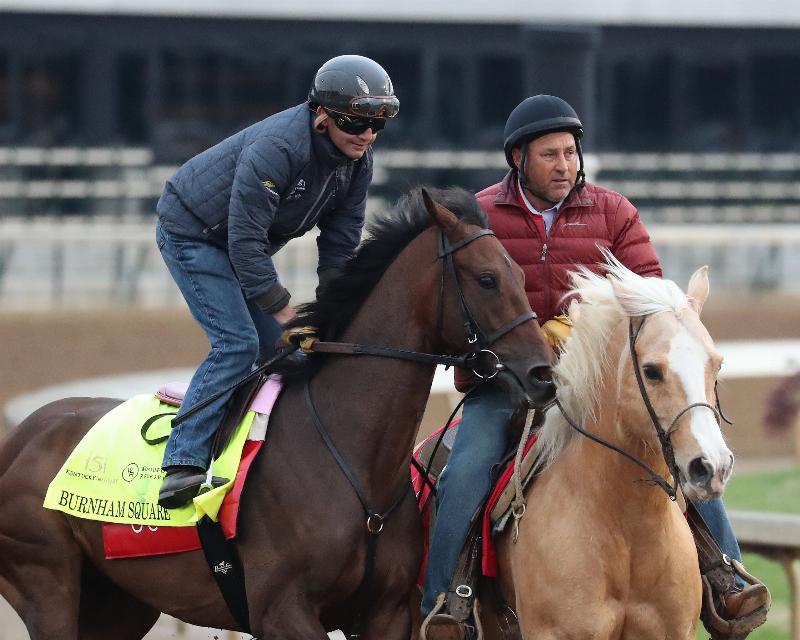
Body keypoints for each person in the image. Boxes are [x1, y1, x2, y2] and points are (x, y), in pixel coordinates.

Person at [421, 95, 769, 639]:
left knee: (678, 453)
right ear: (518, 159)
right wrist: (529, 339)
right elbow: (459, 307)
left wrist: (582, 327)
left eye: (570, 153)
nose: (565, 166)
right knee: (465, 473)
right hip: (506, 386)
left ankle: (726, 575)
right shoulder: (480, 215)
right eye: (550, 155)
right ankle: (449, 602)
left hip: (599, 390)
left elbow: (655, 299)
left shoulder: (614, 212)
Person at [154, 55, 399, 509]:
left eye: (379, 122)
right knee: (238, 344)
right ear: (321, 115)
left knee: (284, 353)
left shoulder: (356, 161)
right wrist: (287, 312)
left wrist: (335, 314)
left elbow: (340, 248)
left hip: (241, 243)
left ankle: (264, 457)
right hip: (193, 232)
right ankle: (182, 462)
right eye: (357, 122)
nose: (368, 135)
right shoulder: (278, 148)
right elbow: (245, 244)